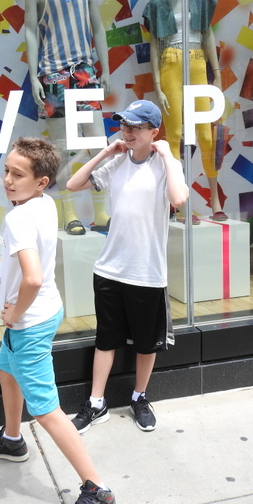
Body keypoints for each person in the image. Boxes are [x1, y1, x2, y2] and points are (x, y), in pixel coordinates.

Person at [0, 137, 116, 504]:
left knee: (47, 411)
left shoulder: (18, 218)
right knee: (5, 369)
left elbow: (32, 278)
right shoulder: (43, 203)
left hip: (29, 322)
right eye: (7, 171)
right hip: (47, 311)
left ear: (40, 181)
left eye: (17, 175)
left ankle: (98, 493)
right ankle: (13, 439)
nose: (7, 180)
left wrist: (14, 313)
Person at [67, 100, 189, 433]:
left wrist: (168, 156)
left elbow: (178, 199)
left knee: (147, 344)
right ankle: (96, 403)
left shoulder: (166, 166)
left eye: (136, 127)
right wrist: (106, 152)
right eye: (124, 125)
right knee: (105, 340)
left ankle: (139, 397)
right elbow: (73, 184)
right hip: (109, 269)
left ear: (154, 132)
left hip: (147, 273)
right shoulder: (117, 162)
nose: (128, 132)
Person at [24, 0, 111, 235]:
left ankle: (101, 211)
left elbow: (98, 29)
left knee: (97, 144)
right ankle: (69, 214)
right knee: (62, 149)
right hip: (54, 75)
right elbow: (30, 32)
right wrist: (34, 75)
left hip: (84, 72)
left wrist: (105, 69)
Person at [143, 0, 226, 221]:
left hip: (197, 60)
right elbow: (154, 45)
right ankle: (180, 205)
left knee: (205, 134)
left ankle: (215, 199)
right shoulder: (156, 4)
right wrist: (157, 85)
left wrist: (217, 73)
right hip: (170, 61)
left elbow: (207, 34)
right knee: (174, 135)